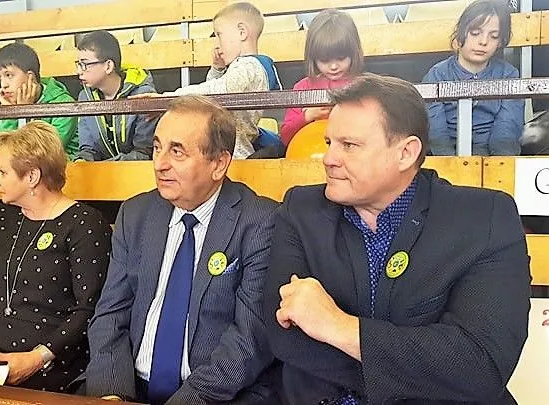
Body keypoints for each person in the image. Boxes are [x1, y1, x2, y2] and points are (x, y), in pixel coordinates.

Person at [264, 73, 530, 404]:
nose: (329, 159)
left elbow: (480, 366)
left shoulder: (483, 219)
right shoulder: (300, 210)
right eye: (329, 143)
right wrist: (421, 368)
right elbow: (285, 335)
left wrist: (336, 326)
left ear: (406, 153)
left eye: (349, 145)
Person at [84, 95, 279, 404]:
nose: (160, 164)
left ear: (219, 164)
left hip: (213, 395)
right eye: (157, 148)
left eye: (177, 151)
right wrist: (112, 394)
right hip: (130, 388)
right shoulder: (135, 214)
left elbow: (250, 338)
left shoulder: (259, 221)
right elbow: (111, 314)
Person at [0, 121, 112, 392]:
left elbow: (89, 309)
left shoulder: (85, 225)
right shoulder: (0, 219)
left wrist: (38, 357)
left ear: (32, 177)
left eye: (3, 172)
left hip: (55, 365)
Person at [134, 2, 282, 159]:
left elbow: (217, 92)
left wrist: (168, 99)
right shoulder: (246, 67)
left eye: (219, 35)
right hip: (229, 152)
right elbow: (215, 97)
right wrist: (217, 69)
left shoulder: (250, 66)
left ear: (242, 32)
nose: (217, 44)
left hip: (235, 155)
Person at [423, 0, 524, 156]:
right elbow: (436, 131)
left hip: (492, 158)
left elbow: (507, 129)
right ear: (460, 33)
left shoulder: (509, 74)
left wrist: (499, 164)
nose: (483, 42)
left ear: (500, 42)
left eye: (494, 36)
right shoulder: (437, 74)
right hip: (445, 157)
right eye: (475, 33)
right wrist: (449, 164)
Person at [280, 9, 364, 146]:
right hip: (308, 152)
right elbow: (285, 137)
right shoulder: (303, 87)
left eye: (341, 58)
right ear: (313, 58)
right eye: (325, 60)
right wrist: (307, 116)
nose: (334, 66)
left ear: (353, 53)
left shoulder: (363, 86)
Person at [76, 30, 157, 161]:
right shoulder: (85, 97)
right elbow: (87, 149)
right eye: (79, 64)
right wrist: (82, 162)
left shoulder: (142, 94)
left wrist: (105, 166)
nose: (78, 71)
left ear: (108, 66)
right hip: (101, 171)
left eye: (85, 64)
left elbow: (144, 153)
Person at [0, 43, 79, 161]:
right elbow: (1, 152)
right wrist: (12, 113)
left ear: (31, 77)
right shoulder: (12, 103)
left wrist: (25, 113)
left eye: (9, 75)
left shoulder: (64, 104)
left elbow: (41, 154)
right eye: (0, 77)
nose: (3, 85)